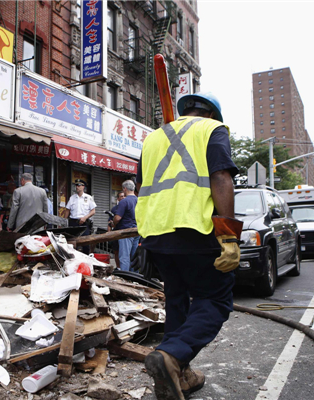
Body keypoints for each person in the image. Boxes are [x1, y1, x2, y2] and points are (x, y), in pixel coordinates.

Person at [135, 92, 242, 399]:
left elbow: (144, 186)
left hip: (157, 233)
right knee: (216, 299)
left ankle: (177, 374)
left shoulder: (153, 138)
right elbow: (220, 176)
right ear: (212, 114)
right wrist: (229, 232)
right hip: (196, 228)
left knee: (178, 299)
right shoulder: (212, 130)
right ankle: (171, 355)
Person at [64, 179, 96, 254]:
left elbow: (93, 211)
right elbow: (67, 210)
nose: (77, 187)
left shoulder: (88, 198)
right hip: (73, 223)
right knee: (72, 243)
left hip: (84, 223)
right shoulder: (72, 198)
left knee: (85, 243)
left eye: (79, 185)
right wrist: (64, 221)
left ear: (83, 187)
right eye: (76, 185)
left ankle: (86, 261)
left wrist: (85, 217)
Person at [113, 181, 139, 271]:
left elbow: (117, 218)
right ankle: (135, 278)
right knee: (134, 256)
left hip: (125, 232)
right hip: (137, 231)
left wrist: (113, 222)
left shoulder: (124, 201)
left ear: (125, 189)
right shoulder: (139, 200)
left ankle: (125, 279)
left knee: (124, 257)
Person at [108, 191, 125, 268]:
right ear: (118, 198)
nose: (122, 198)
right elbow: (109, 222)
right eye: (121, 196)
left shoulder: (128, 206)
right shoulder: (114, 209)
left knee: (125, 253)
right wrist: (109, 234)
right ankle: (118, 268)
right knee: (116, 252)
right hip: (116, 233)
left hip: (125, 233)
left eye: (124, 196)